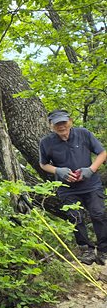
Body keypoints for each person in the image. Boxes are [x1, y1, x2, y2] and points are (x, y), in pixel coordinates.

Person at [39, 109, 106, 265]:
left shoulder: (83, 134)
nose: (61, 126)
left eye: (63, 122)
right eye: (57, 124)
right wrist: (58, 171)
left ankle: (104, 251)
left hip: (91, 185)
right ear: (51, 126)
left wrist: (90, 169)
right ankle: (87, 251)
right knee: (75, 217)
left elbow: (102, 153)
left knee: (99, 214)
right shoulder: (46, 142)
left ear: (70, 121)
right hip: (66, 188)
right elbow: (43, 164)